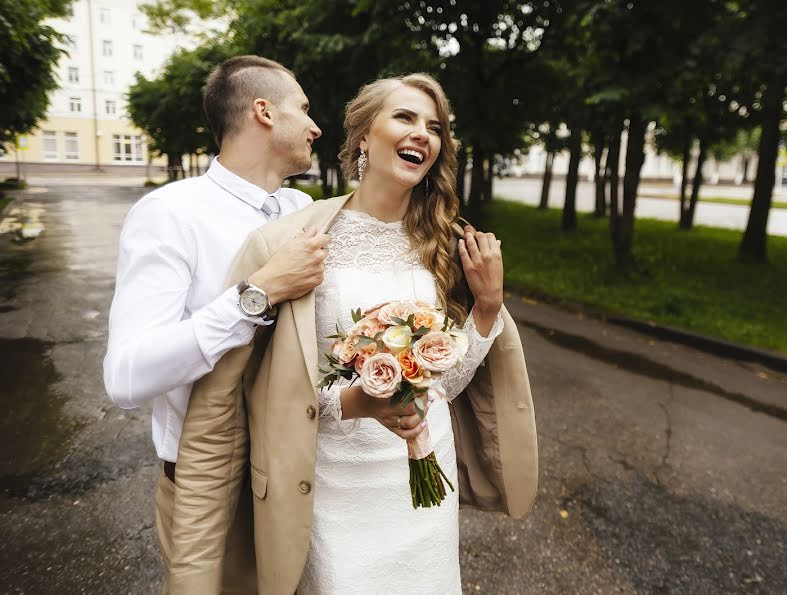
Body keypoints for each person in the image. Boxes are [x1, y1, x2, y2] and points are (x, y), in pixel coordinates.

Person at [168, 73, 539, 594]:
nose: (423, 135)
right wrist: (356, 401)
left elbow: (442, 387)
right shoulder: (294, 242)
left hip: (422, 487)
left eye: (434, 127)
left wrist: (487, 307)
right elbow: (259, 394)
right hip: (332, 487)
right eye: (405, 118)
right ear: (364, 135)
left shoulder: (447, 245)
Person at [102, 55, 328, 593]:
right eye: (304, 109)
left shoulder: (303, 208)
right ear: (264, 112)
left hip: (303, 476)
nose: (316, 126)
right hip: (214, 489)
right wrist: (259, 294)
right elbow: (126, 376)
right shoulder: (170, 214)